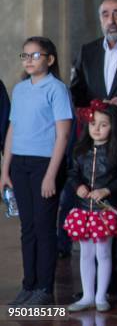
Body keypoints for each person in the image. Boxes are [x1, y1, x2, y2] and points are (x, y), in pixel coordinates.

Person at [1, 37, 73, 306]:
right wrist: (4, 169)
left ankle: (44, 288)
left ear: (50, 59)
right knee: (27, 228)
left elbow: (63, 136)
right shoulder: (19, 89)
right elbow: (12, 130)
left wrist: (51, 175)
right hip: (19, 165)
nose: (29, 60)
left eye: (35, 55)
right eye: (25, 56)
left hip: (45, 164)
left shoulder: (56, 89)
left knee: (44, 229)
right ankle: (28, 285)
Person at [63, 101, 117, 313]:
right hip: (83, 210)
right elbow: (72, 173)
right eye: (93, 124)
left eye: (103, 124)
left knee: (103, 253)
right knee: (85, 253)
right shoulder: (80, 150)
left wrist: (106, 190)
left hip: (105, 211)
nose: (97, 129)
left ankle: (101, 296)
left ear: (113, 127)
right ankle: (87, 295)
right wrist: (78, 187)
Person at [71, 0, 117, 113]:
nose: (111, 21)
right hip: (94, 127)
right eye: (105, 15)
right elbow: (77, 93)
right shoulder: (87, 51)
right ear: (100, 19)